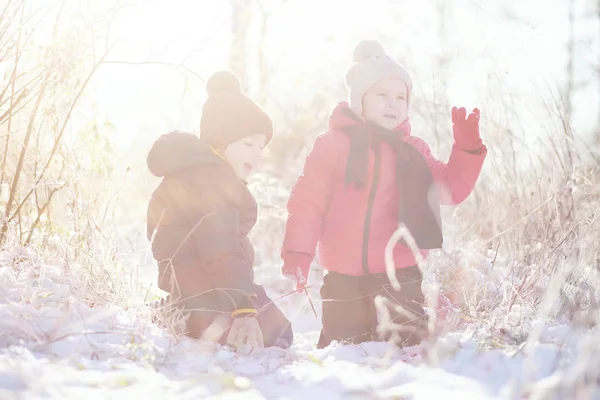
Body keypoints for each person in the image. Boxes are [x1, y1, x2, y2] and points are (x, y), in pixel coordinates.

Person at [280, 40, 487, 349]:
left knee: (404, 347)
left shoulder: (412, 150)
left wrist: (467, 150)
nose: (393, 104)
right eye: (382, 95)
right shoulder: (332, 146)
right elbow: (307, 203)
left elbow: (450, 189)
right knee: (342, 348)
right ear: (359, 100)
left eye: (400, 97)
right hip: (343, 278)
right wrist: (298, 253)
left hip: (399, 276)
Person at [146, 71, 293, 349]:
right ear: (219, 144)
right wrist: (242, 308)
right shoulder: (212, 180)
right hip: (206, 291)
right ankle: (179, 314)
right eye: (248, 144)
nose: (257, 153)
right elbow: (220, 248)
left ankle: (179, 308)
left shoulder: (203, 173)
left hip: (206, 286)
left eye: (261, 146)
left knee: (278, 329)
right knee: (277, 334)